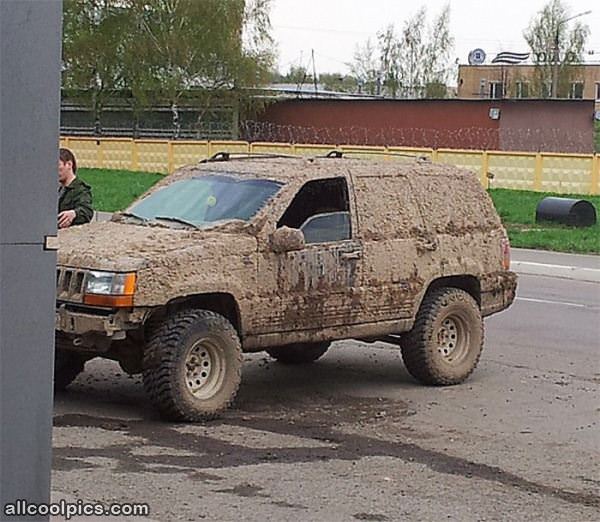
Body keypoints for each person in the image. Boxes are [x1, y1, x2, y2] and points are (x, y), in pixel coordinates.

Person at [58, 148, 93, 228]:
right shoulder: (58, 189)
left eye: (58, 165)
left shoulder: (80, 189)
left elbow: (87, 211)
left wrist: (74, 213)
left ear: (69, 165)